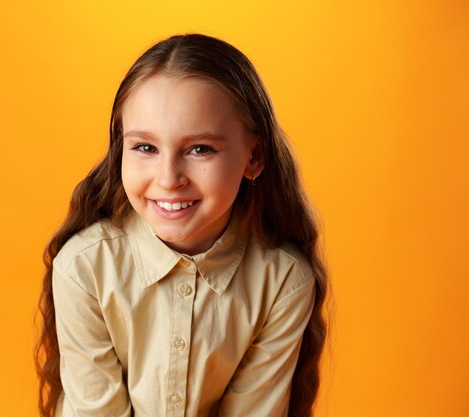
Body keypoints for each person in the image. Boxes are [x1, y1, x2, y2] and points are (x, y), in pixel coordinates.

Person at [35, 33, 329, 417]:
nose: (169, 177)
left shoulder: (285, 282)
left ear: (253, 157)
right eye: (145, 147)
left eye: (200, 149)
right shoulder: (83, 268)